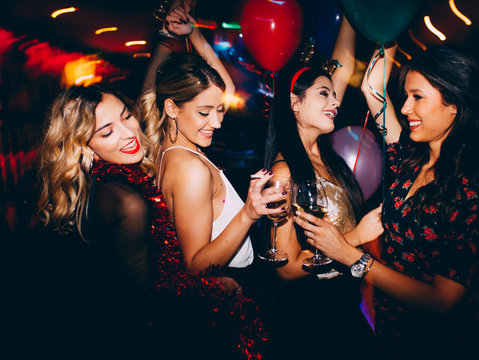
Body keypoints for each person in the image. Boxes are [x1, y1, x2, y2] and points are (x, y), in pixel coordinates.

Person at [294, 42, 479, 359]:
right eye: (406, 96)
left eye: (417, 97)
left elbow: (441, 301)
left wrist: (350, 255)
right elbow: (372, 88)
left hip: (442, 344)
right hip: (392, 332)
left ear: (454, 105)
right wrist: (387, 33)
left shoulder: (477, 186)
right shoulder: (409, 158)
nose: (405, 108)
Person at [37, 84, 268, 359]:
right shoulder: (126, 202)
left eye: (126, 116)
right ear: (85, 147)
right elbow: (146, 304)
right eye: (107, 132)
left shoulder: (101, 183)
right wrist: (207, 289)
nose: (129, 133)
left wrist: (168, 39)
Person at [140, 3, 285, 301]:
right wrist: (248, 213)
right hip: (225, 297)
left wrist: (192, 35)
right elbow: (196, 267)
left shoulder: (163, 143)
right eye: (205, 112)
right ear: (172, 107)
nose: (217, 122)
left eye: (219, 111)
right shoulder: (190, 169)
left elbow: (224, 90)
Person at [262, 16, 383, 359]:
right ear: (295, 104)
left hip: (345, 305)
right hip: (312, 322)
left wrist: (351, 14)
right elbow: (286, 269)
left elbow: (342, 67)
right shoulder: (285, 172)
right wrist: (356, 238)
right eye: (324, 94)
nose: (335, 101)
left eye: (335, 94)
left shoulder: (328, 160)